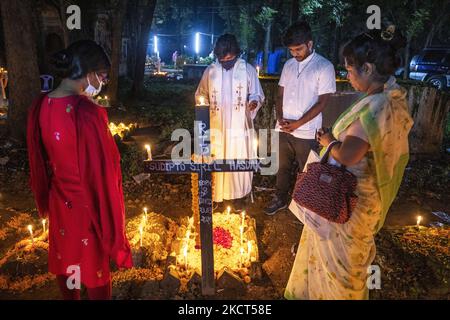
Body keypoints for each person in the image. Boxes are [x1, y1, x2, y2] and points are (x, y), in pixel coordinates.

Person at [285, 27, 413, 300]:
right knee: (340, 265)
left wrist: (330, 142)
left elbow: (350, 155)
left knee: (341, 271)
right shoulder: (391, 99)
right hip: (355, 197)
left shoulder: (378, 106)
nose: (348, 76)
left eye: (350, 70)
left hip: (349, 202)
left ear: (367, 68)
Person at [27, 40, 133, 300]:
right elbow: (104, 171)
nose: (103, 83)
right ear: (89, 73)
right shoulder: (87, 112)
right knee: (93, 270)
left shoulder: (41, 105)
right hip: (88, 208)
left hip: (59, 202)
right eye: (103, 77)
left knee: (69, 262)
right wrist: (114, 221)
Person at [264, 21, 336, 215]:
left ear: (310, 44)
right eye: (291, 50)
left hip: (307, 130)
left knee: (307, 169)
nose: (295, 54)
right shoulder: (288, 65)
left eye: (298, 49)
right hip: (284, 127)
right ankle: (280, 198)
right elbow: (280, 95)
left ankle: (305, 206)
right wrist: (280, 118)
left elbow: (322, 103)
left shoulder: (324, 66)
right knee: (282, 166)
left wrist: (298, 124)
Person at [195, 34, 265, 211]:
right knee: (215, 159)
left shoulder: (247, 70)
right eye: (222, 60)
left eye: (230, 59)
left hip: (239, 127)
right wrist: (203, 102)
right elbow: (200, 94)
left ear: (236, 54)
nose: (226, 63)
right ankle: (217, 198)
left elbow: (257, 93)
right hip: (216, 126)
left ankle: (239, 197)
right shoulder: (210, 71)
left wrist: (254, 102)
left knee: (239, 158)